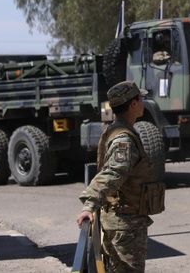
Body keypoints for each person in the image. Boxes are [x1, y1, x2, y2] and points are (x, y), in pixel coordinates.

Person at [76, 81, 164, 273]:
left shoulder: (117, 130)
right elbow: (113, 173)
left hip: (124, 223)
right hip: (125, 226)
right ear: (133, 104)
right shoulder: (123, 138)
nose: (143, 101)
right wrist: (89, 204)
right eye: (140, 98)